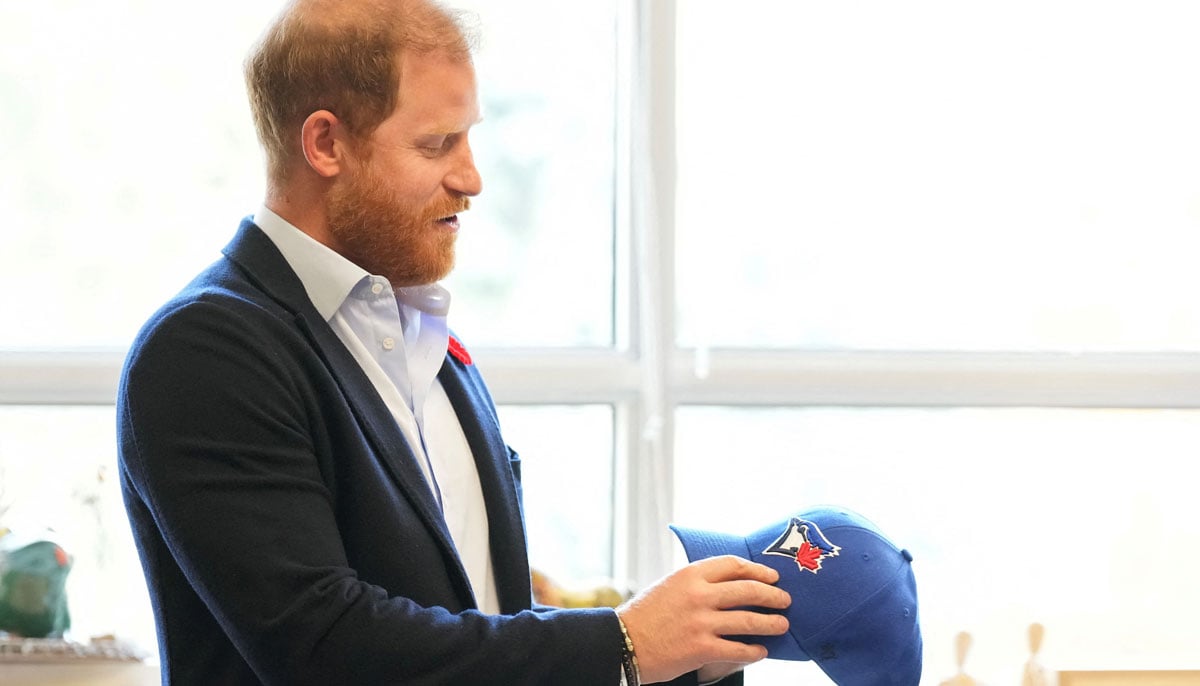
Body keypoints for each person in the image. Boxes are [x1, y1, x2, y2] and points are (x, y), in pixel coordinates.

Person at [115, 1, 790, 684]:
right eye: (437, 145)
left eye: (469, 139)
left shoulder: (430, 345)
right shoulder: (204, 351)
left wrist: (692, 654)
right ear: (325, 144)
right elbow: (324, 647)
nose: (472, 178)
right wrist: (625, 643)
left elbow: (485, 630)